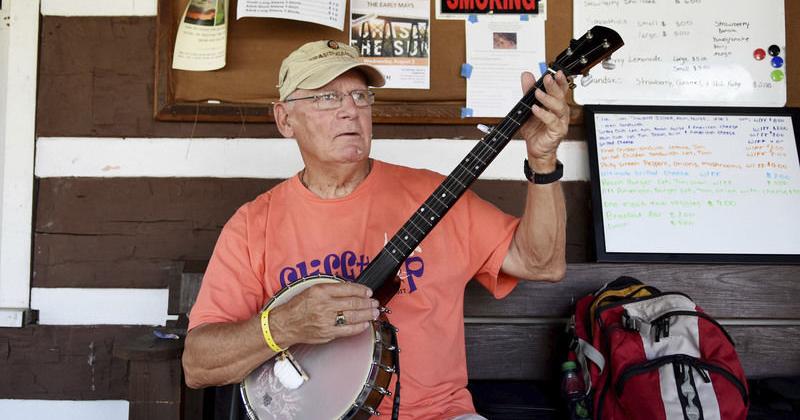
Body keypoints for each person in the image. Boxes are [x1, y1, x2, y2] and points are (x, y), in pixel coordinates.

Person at [182, 39, 569, 419]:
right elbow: (198, 366)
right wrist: (283, 325)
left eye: (360, 96)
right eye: (326, 97)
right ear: (285, 118)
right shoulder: (254, 225)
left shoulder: (436, 196)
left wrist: (543, 159)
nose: (350, 110)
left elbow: (542, 264)